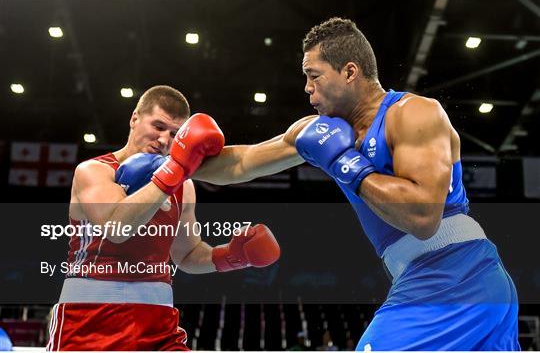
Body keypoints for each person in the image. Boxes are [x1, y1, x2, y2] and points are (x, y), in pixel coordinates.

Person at [192, 18, 520, 350]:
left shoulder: (413, 113)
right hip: (431, 277)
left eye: (314, 76)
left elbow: (422, 218)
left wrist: (344, 162)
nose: (307, 88)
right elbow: (241, 164)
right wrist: (172, 163)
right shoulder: (316, 130)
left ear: (350, 72)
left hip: (457, 274)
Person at [46, 85, 281, 351]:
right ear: (135, 118)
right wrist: (175, 169)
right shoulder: (95, 171)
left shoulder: (184, 187)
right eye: (158, 126)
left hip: (158, 324)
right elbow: (116, 228)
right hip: (91, 320)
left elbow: (188, 254)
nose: (164, 140)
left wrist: (231, 256)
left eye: (174, 134)